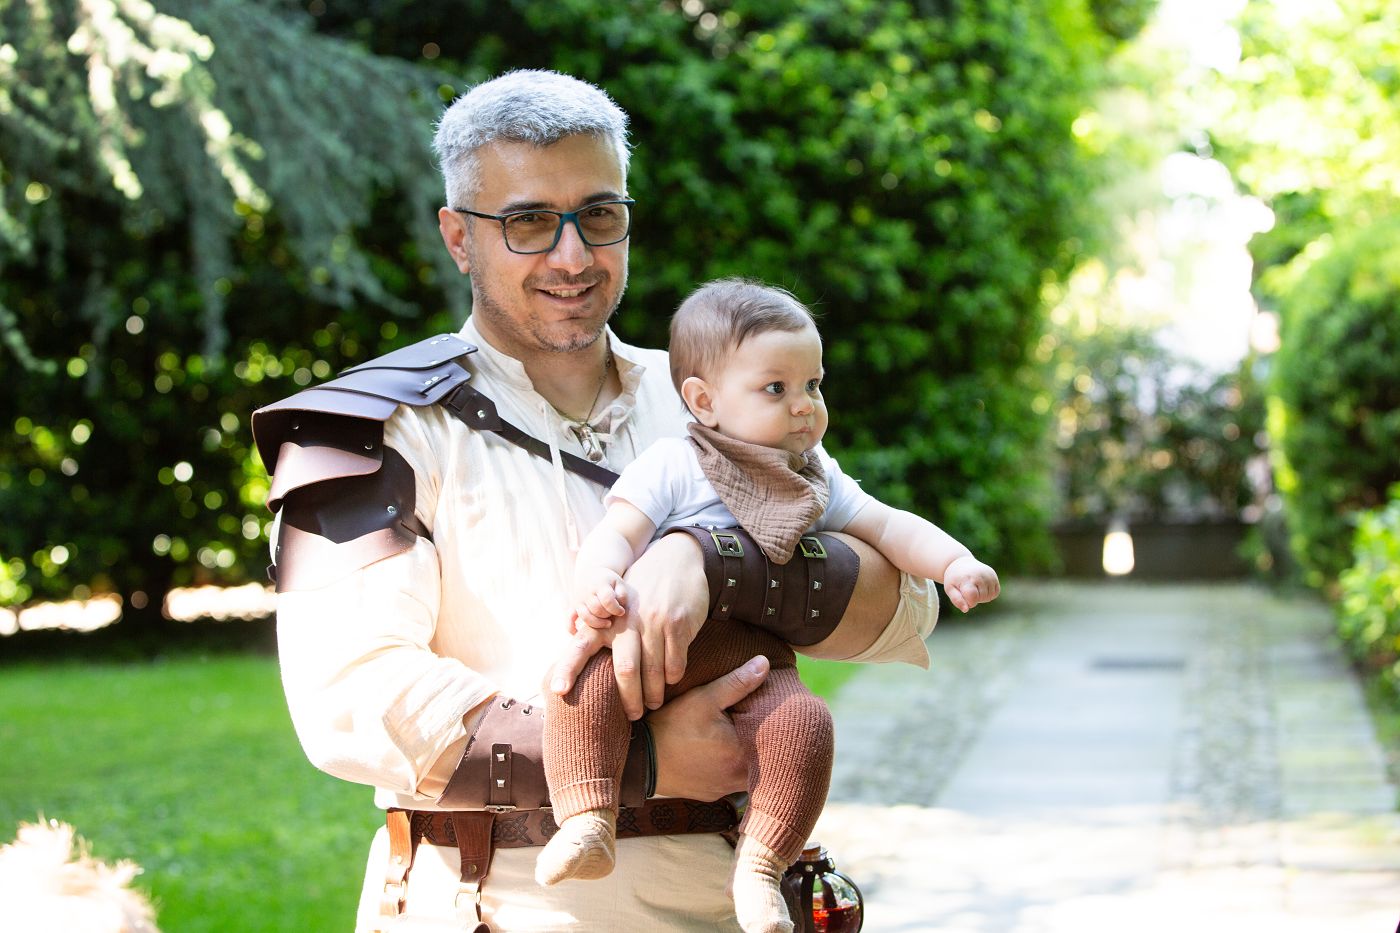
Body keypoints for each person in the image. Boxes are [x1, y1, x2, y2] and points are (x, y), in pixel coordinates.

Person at [253, 69, 942, 932]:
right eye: (529, 222)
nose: (573, 256)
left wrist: (710, 560)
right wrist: (645, 761)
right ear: (459, 236)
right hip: (498, 909)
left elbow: (903, 604)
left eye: (599, 214)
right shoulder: (371, 432)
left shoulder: (712, 396)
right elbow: (351, 702)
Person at [538, 279, 1000, 932]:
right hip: (653, 649)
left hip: (756, 661)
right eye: (776, 388)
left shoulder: (814, 475)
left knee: (805, 725)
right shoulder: (678, 463)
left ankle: (760, 866)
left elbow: (886, 525)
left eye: (813, 385)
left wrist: (954, 563)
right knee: (578, 683)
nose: (804, 406)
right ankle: (586, 817)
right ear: (704, 401)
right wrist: (599, 579)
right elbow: (618, 531)